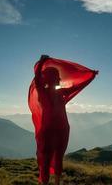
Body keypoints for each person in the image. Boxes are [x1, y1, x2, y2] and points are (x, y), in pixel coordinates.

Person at [28, 55, 98, 185]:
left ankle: (54, 182)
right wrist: (42, 61)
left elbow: (77, 87)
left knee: (54, 156)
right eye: (56, 78)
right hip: (55, 129)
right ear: (52, 79)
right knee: (49, 157)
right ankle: (50, 182)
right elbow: (38, 80)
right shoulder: (46, 92)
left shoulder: (57, 92)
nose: (59, 80)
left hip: (57, 129)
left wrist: (90, 77)